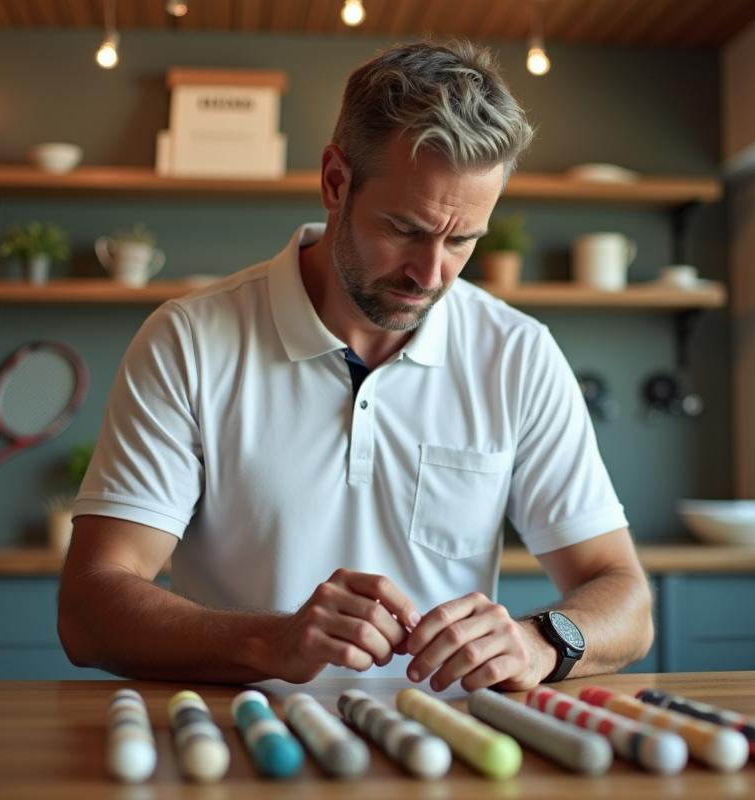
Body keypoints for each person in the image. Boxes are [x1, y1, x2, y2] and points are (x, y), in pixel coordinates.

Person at [58, 39, 653, 692]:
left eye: (462, 240)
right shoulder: (189, 340)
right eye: (405, 229)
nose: (431, 275)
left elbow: (625, 598)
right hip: (243, 741)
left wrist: (541, 642)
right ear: (335, 181)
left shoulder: (518, 353)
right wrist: (270, 641)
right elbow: (90, 609)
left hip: (447, 744)